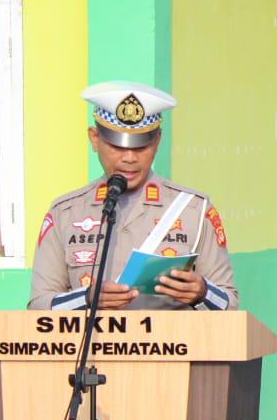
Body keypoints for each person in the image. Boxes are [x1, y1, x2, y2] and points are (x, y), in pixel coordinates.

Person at [29, 82, 236, 311]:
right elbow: (38, 306)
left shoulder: (194, 210)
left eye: (140, 147)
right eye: (117, 146)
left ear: (157, 142)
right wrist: (87, 299)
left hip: (170, 345)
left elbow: (229, 305)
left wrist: (202, 293)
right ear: (94, 139)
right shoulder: (65, 213)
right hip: (96, 345)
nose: (129, 158)